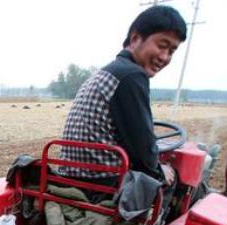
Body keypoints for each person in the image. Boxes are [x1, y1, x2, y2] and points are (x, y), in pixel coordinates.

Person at [58, 5, 187, 204]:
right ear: (135, 38)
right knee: (173, 181)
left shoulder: (108, 72)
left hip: (69, 179)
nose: (165, 57)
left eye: (172, 51)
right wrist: (160, 169)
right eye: (162, 45)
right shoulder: (131, 76)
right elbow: (144, 149)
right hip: (102, 188)